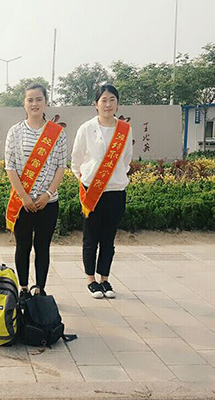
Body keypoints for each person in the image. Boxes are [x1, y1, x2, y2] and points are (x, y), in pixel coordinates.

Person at [4, 83, 67, 300]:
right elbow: (10, 167)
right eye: (30, 100)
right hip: (22, 202)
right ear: (24, 103)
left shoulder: (57, 133)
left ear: (46, 102)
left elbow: (61, 166)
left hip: (48, 202)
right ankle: (23, 289)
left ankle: (40, 289)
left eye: (39, 99)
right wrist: (23, 196)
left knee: (42, 247)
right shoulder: (15, 132)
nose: (34, 104)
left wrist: (48, 194)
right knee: (23, 246)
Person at [71, 84, 133, 299]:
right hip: (92, 191)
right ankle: (91, 280)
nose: (108, 104)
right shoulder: (86, 128)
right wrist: (86, 179)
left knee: (108, 239)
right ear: (95, 104)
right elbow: (76, 160)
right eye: (103, 100)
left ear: (118, 103)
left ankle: (105, 279)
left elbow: (126, 159)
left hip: (116, 191)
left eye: (112, 100)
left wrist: (115, 177)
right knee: (91, 238)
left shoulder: (125, 129)